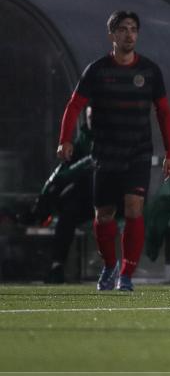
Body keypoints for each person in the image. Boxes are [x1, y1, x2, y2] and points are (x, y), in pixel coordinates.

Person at [56, 11, 170, 292]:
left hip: (138, 151)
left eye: (133, 29)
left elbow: (164, 112)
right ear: (112, 35)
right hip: (106, 152)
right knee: (105, 214)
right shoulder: (97, 70)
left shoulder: (150, 71)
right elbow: (74, 105)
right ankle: (109, 266)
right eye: (122, 29)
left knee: (134, 209)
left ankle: (126, 274)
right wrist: (65, 139)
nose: (129, 34)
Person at [36, 112, 95, 283]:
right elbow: (63, 170)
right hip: (87, 200)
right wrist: (47, 192)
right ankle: (57, 266)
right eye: (91, 117)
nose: (94, 120)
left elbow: (81, 167)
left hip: (110, 196)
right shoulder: (82, 141)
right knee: (67, 210)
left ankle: (118, 269)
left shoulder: (110, 138)